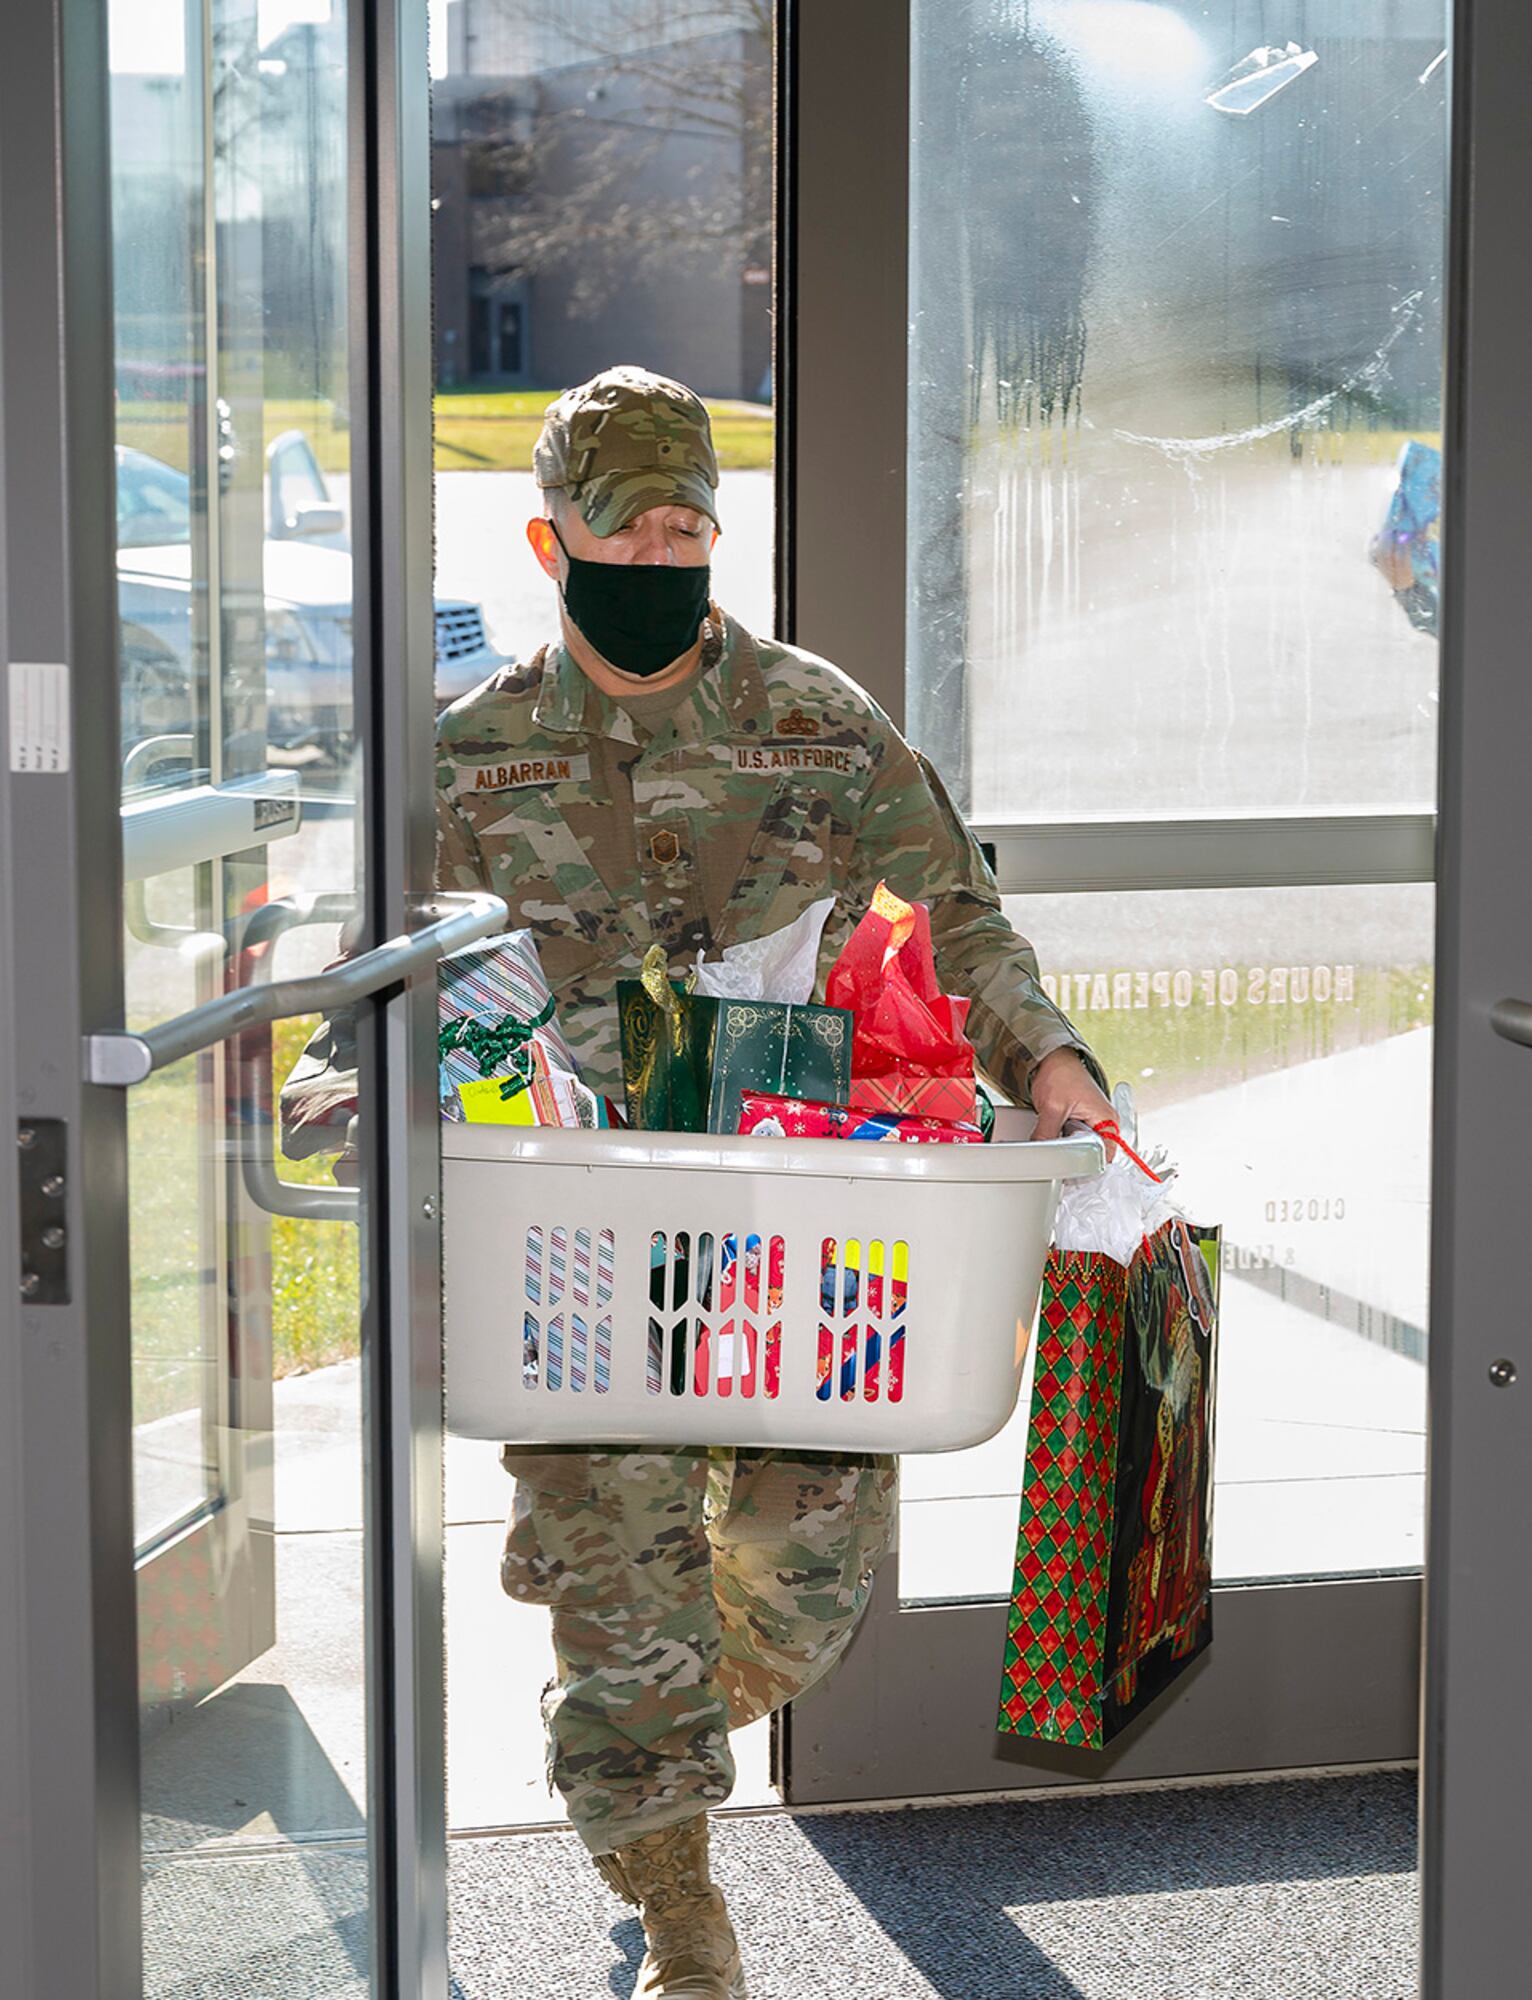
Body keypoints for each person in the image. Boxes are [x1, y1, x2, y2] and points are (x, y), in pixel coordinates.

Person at [434, 365, 1114, 2000]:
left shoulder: (814, 719)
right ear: (552, 540)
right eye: (629, 528)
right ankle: (679, 1900)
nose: (665, 555)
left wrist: (1053, 1061)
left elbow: (959, 919)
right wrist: (336, 1088)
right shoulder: (468, 756)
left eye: (691, 525)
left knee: (804, 1599)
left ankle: (628, 1695)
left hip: (809, 1233)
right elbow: (382, 985)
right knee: (629, 1564)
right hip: (579, 1254)